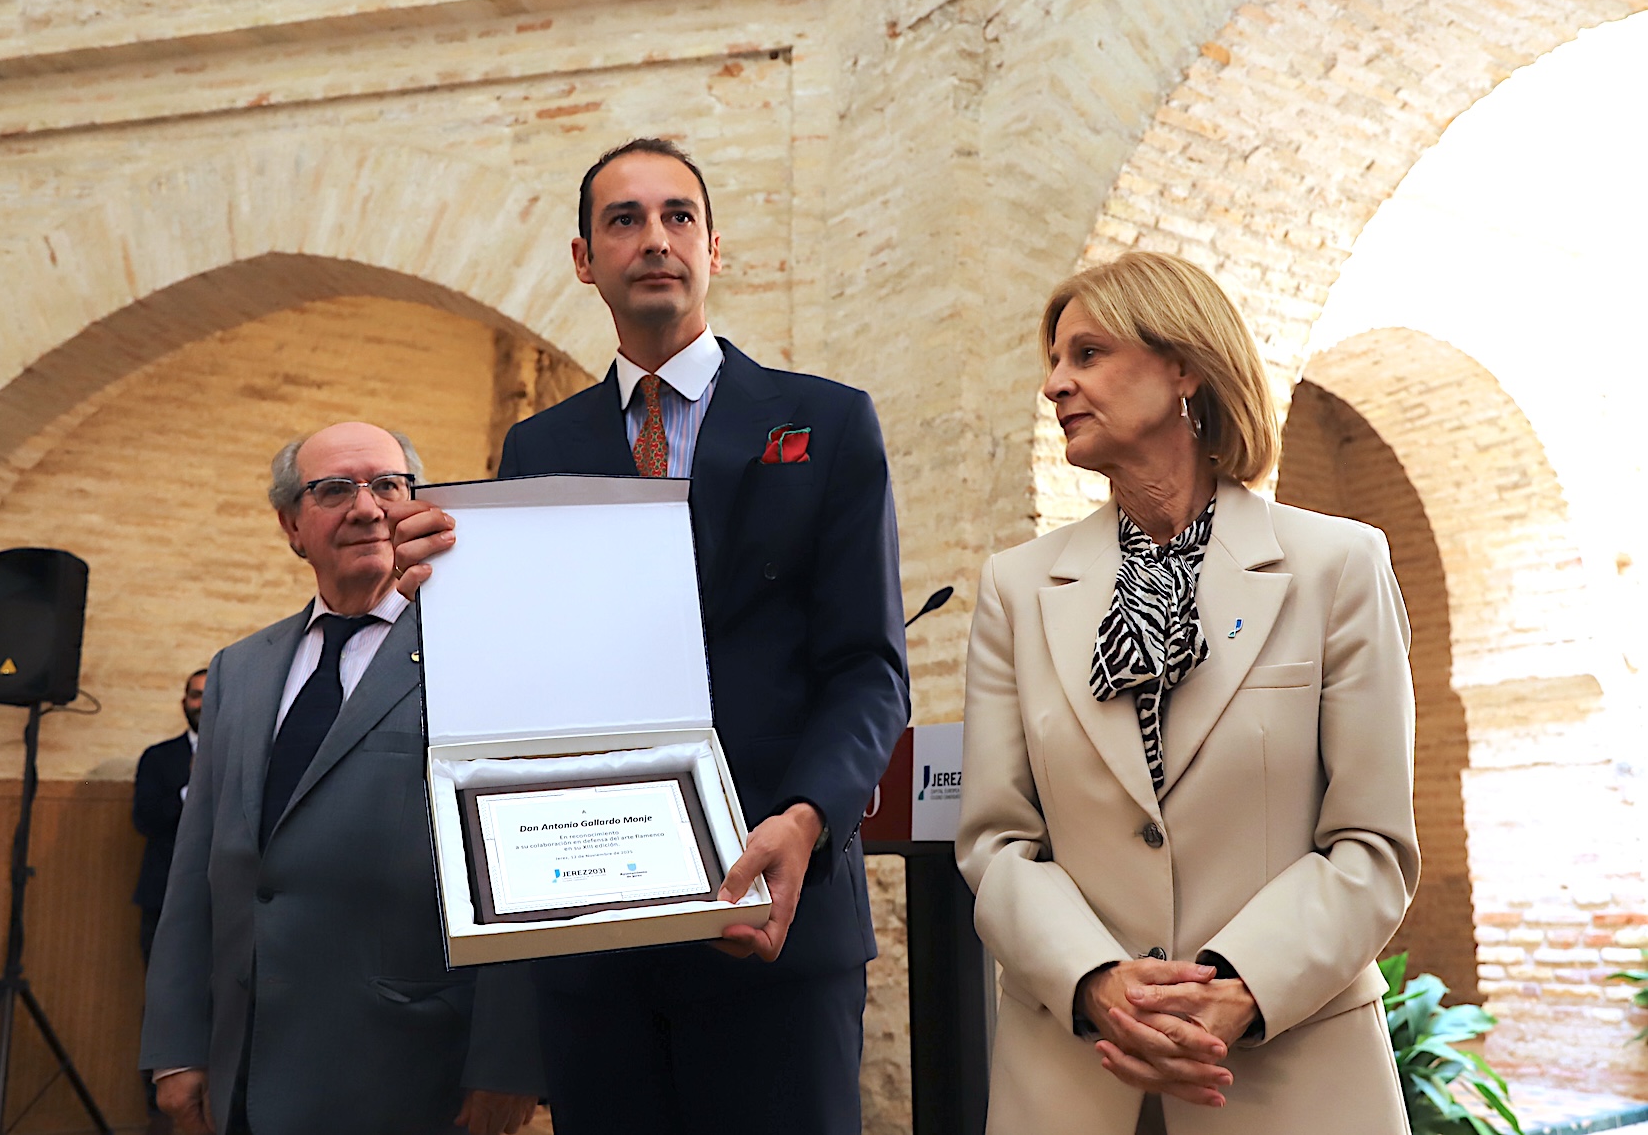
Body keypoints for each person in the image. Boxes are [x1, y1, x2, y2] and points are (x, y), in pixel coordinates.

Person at [389, 138, 910, 1135]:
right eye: (622, 220)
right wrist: (447, 601)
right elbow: (533, 672)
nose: (654, 239)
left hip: (774, 911)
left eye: (677, 216)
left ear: (716, 246)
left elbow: (869, 670)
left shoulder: (827, 422)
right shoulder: (539, 446)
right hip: (593, 933)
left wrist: (804, 821)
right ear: (584, 260)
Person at [956, 251, 1419, 1135]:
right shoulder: (1016, 589)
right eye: (1053, 362)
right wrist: (1096, 981)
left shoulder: (1336, 566)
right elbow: (996, 842)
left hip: (1286, 1075)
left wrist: (1242, 986)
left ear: (1183, 369)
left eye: (1086, 354)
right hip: (1072, 1071)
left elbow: (1373, 846)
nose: (1055, 384)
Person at [140, 422, 543, 1135]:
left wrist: (508, 1063)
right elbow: (198, 867)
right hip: (247, 1065)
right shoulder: (240, 667)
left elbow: (518, 859)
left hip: (412, 1069)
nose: (366, 507)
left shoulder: (480, 648)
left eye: (388, 485)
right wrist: (175, 1047)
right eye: (332, 490)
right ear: (292, 525)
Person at [133, 669, 206, 964]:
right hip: (166, 895)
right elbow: (144, 820)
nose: (203, 703)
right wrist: (190, 791)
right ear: (184, 702)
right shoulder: (158, 757)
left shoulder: (246, 757)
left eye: (211, 696)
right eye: (196, 695)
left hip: (224, 900)